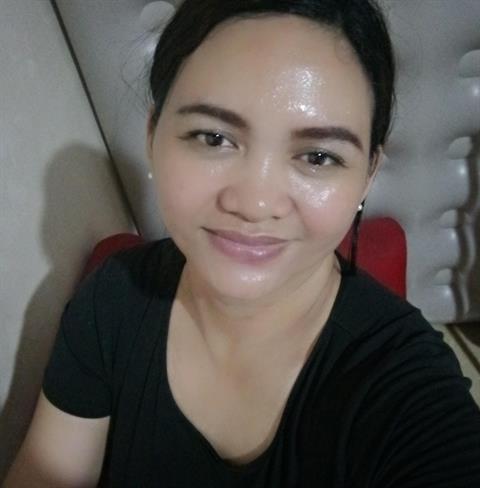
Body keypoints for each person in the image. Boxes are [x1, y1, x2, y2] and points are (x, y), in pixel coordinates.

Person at [5, 0, 480, 486]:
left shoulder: (407, 391)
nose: (255, 203)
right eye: (213, 138)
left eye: (318, 156)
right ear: (153, 136)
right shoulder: (112, 303)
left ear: (368, 175)